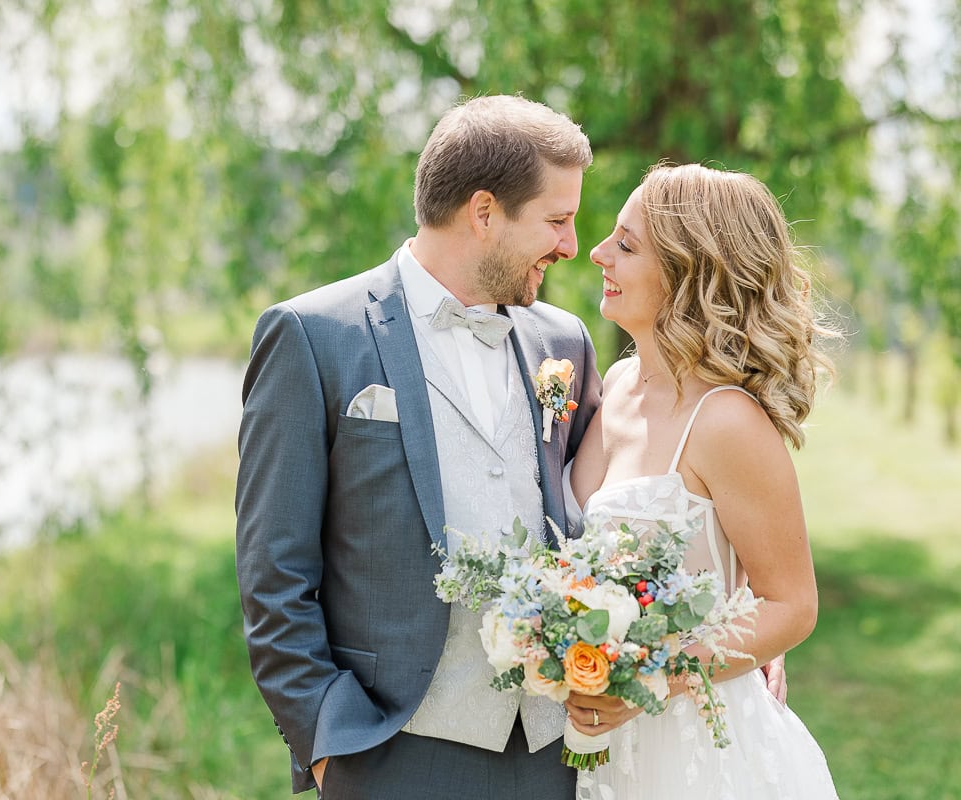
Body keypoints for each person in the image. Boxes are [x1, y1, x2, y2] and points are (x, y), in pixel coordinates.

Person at [235, 95, 601, 799]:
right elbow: (273, 574)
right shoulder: (313, 337)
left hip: (558, 753)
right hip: (394, 752)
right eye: (557, 220)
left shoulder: (563, 343)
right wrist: (329, 745)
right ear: (484, 212)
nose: (570, 246)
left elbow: (612, 510)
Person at [563, 163, 839, 798]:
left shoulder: (727, 421)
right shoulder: (618, 385)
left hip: (702, 751)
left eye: (626, 245)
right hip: (605, 752)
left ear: (691, 271)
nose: (598, 253)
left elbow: (792, 606)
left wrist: (650, 677)